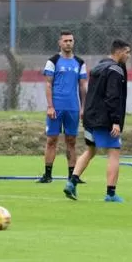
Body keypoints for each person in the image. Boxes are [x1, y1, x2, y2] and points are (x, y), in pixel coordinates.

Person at [64, 39, 131, 203]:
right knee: (114, 152)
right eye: (127, 52)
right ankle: (111, 193)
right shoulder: (115, 69)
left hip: (90, 116)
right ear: (119, 52)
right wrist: (115, 121)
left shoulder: (98, 66)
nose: (129, 56)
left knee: (90, 150)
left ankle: (71, 183)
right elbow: (112, 96)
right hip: (105, 119)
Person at [39, 30, 87, 183]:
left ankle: (72, 177)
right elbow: (48, 84)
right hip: (56, 107)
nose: (68, 43)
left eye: (70, 40)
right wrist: (50, 106)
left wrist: (83, 107)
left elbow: (82, 86)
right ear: (60, 43)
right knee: (52, 140)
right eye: (65, 41)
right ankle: (47, 175)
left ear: (73, 42)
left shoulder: (80, 63)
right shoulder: (52, 61)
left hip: (72, 108)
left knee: (71, 141)